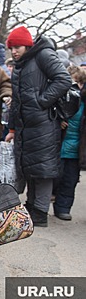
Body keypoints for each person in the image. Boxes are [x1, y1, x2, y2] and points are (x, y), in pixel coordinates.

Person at [4, 26, 72, 227]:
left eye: (17, 47)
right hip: (27, 126)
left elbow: (64, 79)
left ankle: (40, 213)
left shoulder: (43, 55)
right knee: (30, 168)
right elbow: (16, 101)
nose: (14, 51)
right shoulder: (20, 65)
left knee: (43, 170)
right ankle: (32, 207)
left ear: (27, 45)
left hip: (43, 124)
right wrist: (12, 128)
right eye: (12, 48)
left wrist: (42, 101)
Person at [53, 66, 86, 220]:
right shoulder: (60, 100)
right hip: (58, 146)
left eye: (79, 83)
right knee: (56, 177)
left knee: (70, 180)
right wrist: (58, 122)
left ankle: (63, 208)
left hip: (75, 149)